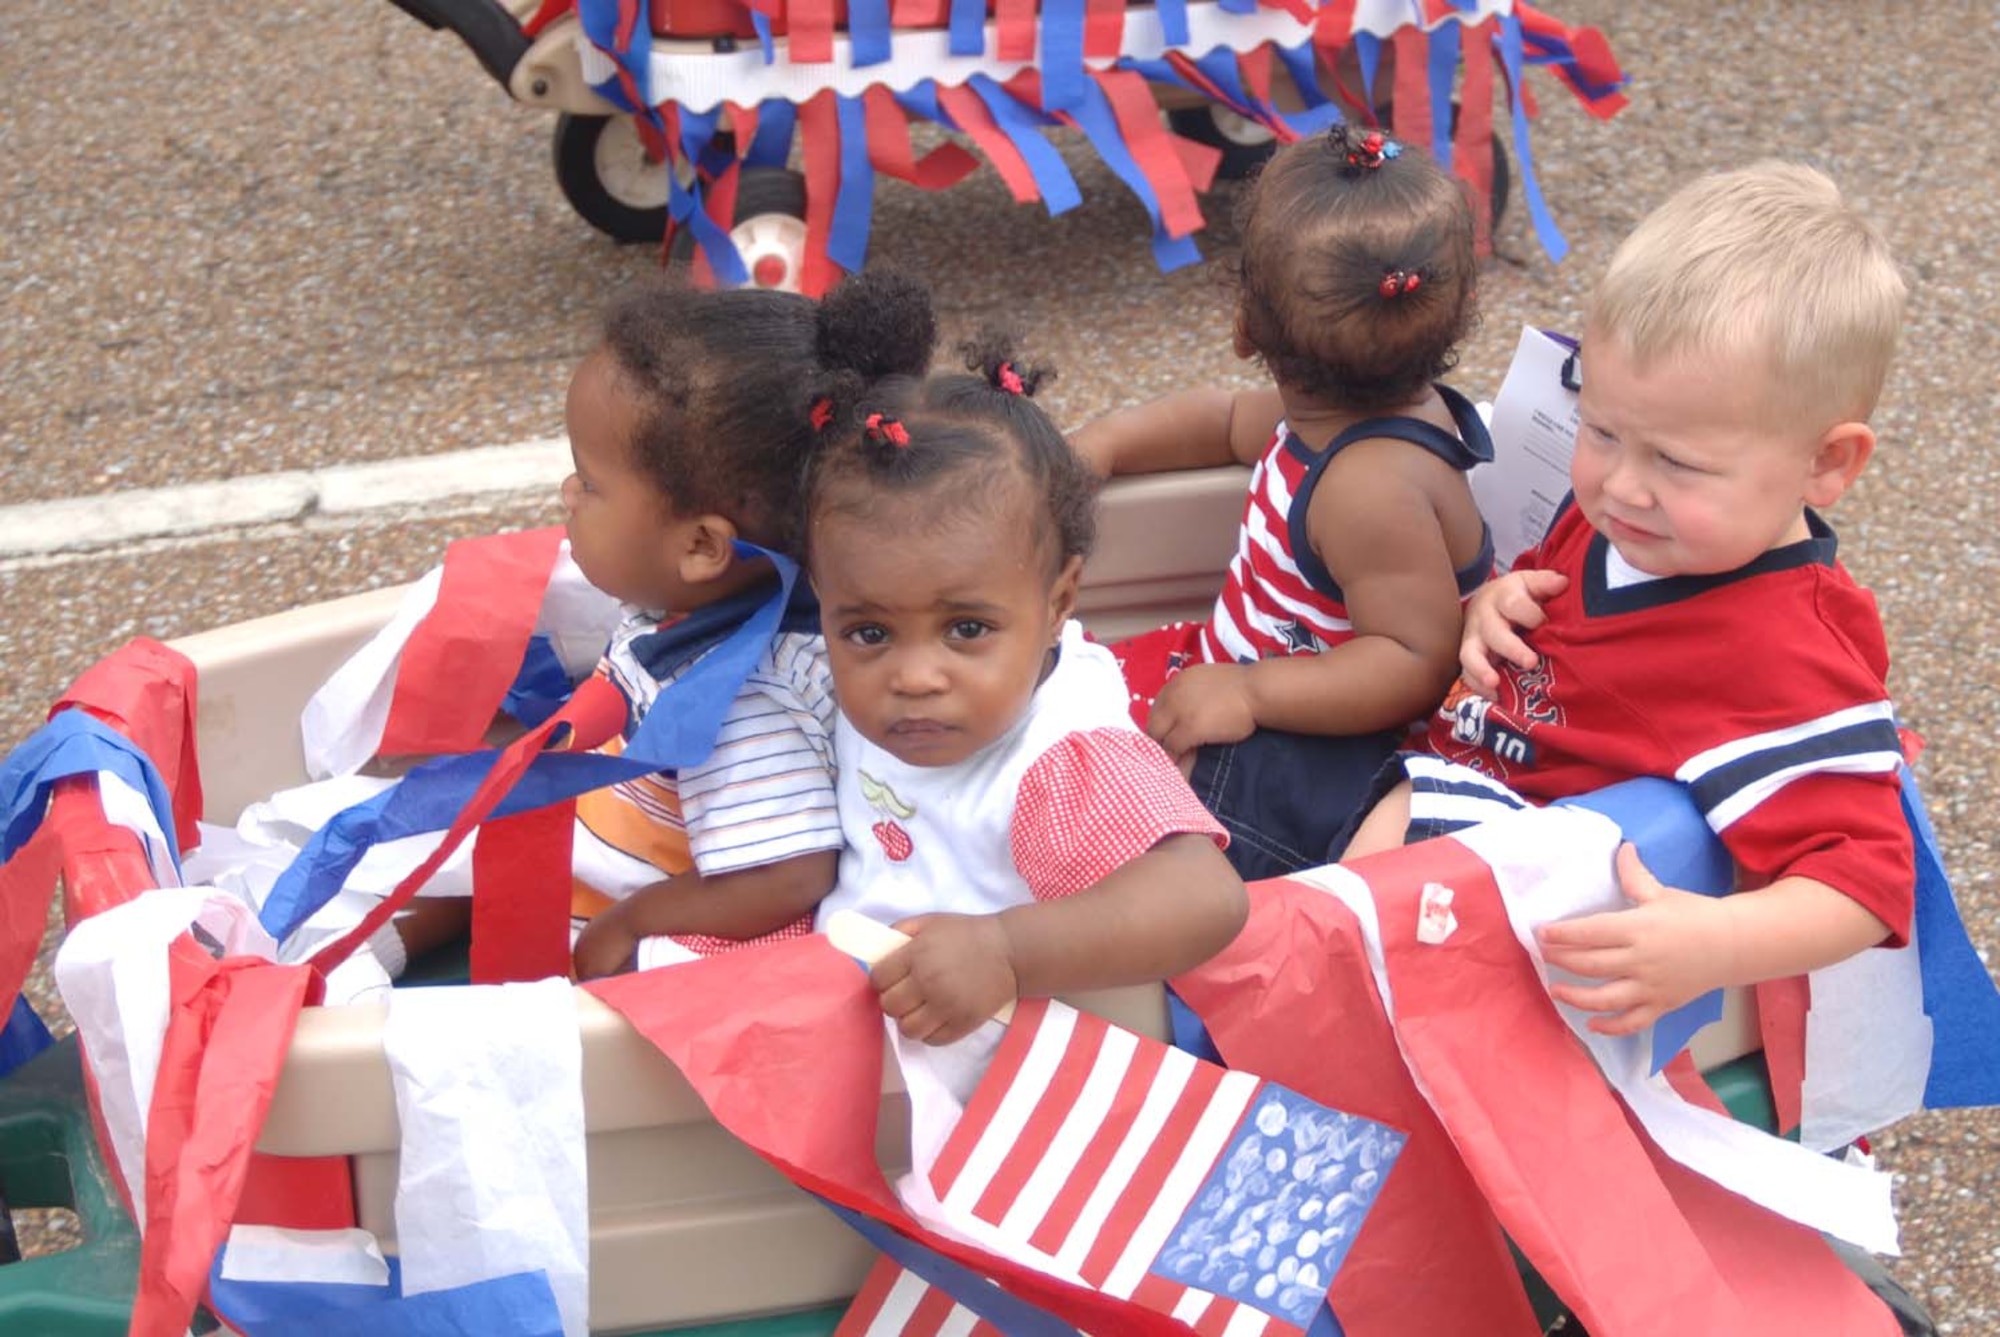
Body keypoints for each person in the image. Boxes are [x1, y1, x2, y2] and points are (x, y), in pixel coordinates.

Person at [1342, 161, 1914, 1038]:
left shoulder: (1783, 653)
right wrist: (1495, 600)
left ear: (1827, 464)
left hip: (1517, 897)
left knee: (1312, 919)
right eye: (1601, 429)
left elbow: (1866, 881)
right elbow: (1555, 590)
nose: (1622, 487)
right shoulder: (1637, 523)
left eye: (1678, 462)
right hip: (1448, 767)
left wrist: (1715, 941)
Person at [1070, 125, 1492, 881]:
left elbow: (1413, 661)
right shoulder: (1320, 416)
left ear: (1243, 327)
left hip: (1326, 748)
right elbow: (1221, 421)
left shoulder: (1372, 486)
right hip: (1244, 677)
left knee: (1124, 841)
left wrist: (1251, 691)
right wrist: (1102, 446)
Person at [805, 338, 1249, 1045]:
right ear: (823, 603)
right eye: (868, 633)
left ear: (1059, 602)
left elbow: (1205, 897)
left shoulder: (1057, 759)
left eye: (967, 628)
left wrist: (1006, 951)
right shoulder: (824, 679)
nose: (915, 676)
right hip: (849, 1012)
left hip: (990, 1077)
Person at [542, 270, 936, 977]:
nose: (569, 493)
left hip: (631, 904)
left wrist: (631, 922)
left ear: (702, 546)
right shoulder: (705, 595)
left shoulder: (740, 698)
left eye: (590, 482)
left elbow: (784, 877)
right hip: (609, 843)